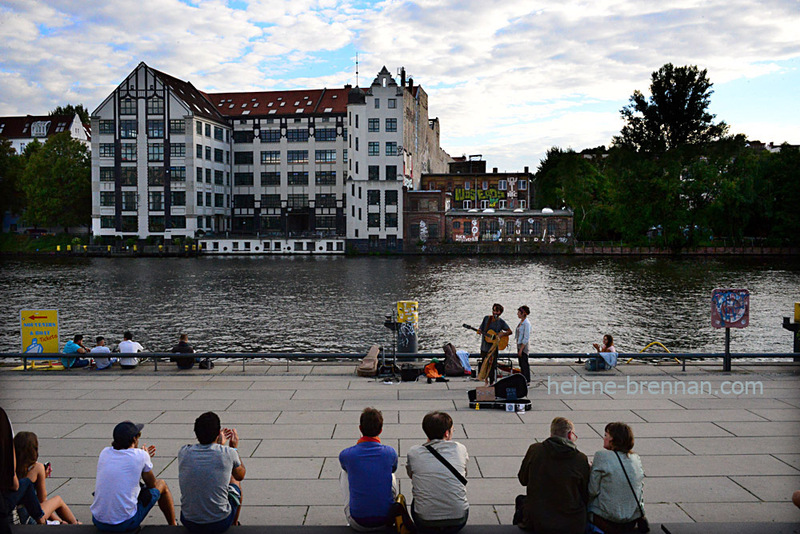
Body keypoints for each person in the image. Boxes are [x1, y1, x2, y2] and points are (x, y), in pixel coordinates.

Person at [91, 421, 176, 530]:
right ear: (135, 439)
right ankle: (173, 525)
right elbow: (152, 484)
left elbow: (126, 460)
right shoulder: (141, 456)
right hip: (125, 523)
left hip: (98, 521)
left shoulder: (105, 452)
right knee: (161, 484)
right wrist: (145, 458)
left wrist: (141, 457)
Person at [515, 417, 590, 534]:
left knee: (521, 501)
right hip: (572, 523)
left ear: (552, 432)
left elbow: (523, 479)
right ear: (570, 435)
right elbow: (585, 492)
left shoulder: (535, 450)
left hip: (538, 520)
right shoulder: (580, 458)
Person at [178, 412, 245, 533]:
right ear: (218, 432)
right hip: (219, 522)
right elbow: (240, 475)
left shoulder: (184, 452)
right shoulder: (228, 453)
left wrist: (219, 446)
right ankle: (234, 523)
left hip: (188, 521)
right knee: (234, 480)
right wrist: (233, 448)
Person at [406, 411, 469, 534]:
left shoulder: (414, 453)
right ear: (446, 433)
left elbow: (412, 476)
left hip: (425, 522)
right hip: (458, 520)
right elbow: (465, 474)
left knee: (417, 498)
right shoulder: (460, 449)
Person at [338, 407, 398, 531]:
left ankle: (353, 513)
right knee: (390, 473)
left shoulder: (347, 454)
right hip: (387, 520)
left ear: (360, 428)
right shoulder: (390, 452)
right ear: (381, 430)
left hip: (359, 522)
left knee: (345, 472)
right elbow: (393, 468)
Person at [588, 422, 645, 534]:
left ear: (613, 439)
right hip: (631, 519)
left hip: (607, 519)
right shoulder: (635, 458)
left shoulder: (601, 456)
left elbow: (592, 491)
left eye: (605, 435)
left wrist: (591, 471)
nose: (603, 438)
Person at [13, 431, 79, 524]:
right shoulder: (37, 468)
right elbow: (42, 500)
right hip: (31, 518)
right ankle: (75, 524)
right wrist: (42, 477)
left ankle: (61, 522)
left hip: (19, 515)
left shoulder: (13, 468)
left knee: (52, 506)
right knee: (58, 500)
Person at [1, 407, 47, 526]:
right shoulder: (37, 468)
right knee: (25, 484)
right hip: (5, 505)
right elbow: (15, 485)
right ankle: (42, 521)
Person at [476, 303, 512, 385]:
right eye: (493, 310)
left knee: (492, 366)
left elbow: (510, 331)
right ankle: (485, 381)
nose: (494, 312)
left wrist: (501, 334)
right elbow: (481, 328)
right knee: (484, 364)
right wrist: (479, 331)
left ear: (500, 312)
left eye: (497, 311)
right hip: (484, 347)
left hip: (493, 347)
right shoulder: (486, 319)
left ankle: (491, 382)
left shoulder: (501, 322)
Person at [515, 306, 532, 384]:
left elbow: (526, 337)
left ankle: (527, 380)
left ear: (523, 313)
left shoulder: (526, 323)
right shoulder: (521, 322)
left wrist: (521, 349)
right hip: (519, 344)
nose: (517, 314)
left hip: (523, 346)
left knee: (524, 363)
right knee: (521, 363)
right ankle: (523, 379)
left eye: (519, 312)